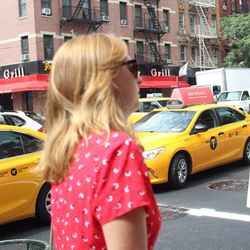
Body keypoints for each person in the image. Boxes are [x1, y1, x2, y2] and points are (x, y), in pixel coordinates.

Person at [37, 33, 161, 250]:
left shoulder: (69, 150)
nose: (139, 78)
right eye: (132, 67)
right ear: (105, 80)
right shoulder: (117, 151)